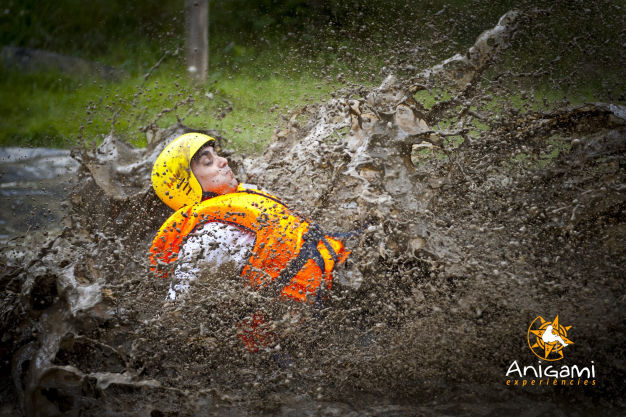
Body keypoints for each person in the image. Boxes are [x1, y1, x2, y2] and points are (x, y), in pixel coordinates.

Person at [149, 132, 350, 351]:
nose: (223, 161)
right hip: (310, 321)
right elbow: (173, 313)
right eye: (208, 162)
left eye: (216, 155)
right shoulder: (208, 240)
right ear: (188, 187)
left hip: (335, 272)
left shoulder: (246, 194)